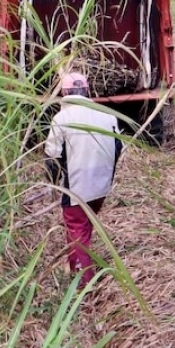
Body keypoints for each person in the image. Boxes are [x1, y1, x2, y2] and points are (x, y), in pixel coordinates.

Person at [44, 72, 123, 287]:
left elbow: (52, 156)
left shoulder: (62, 118)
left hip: (77, 186)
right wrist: (108, 176)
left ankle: (83, 281)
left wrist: (52, 182)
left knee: (77, 228)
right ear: (87, 91)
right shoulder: (106, 115)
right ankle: (73, 266)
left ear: (64, 93)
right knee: (84, 226)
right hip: (101, 185)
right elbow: (118, 148)